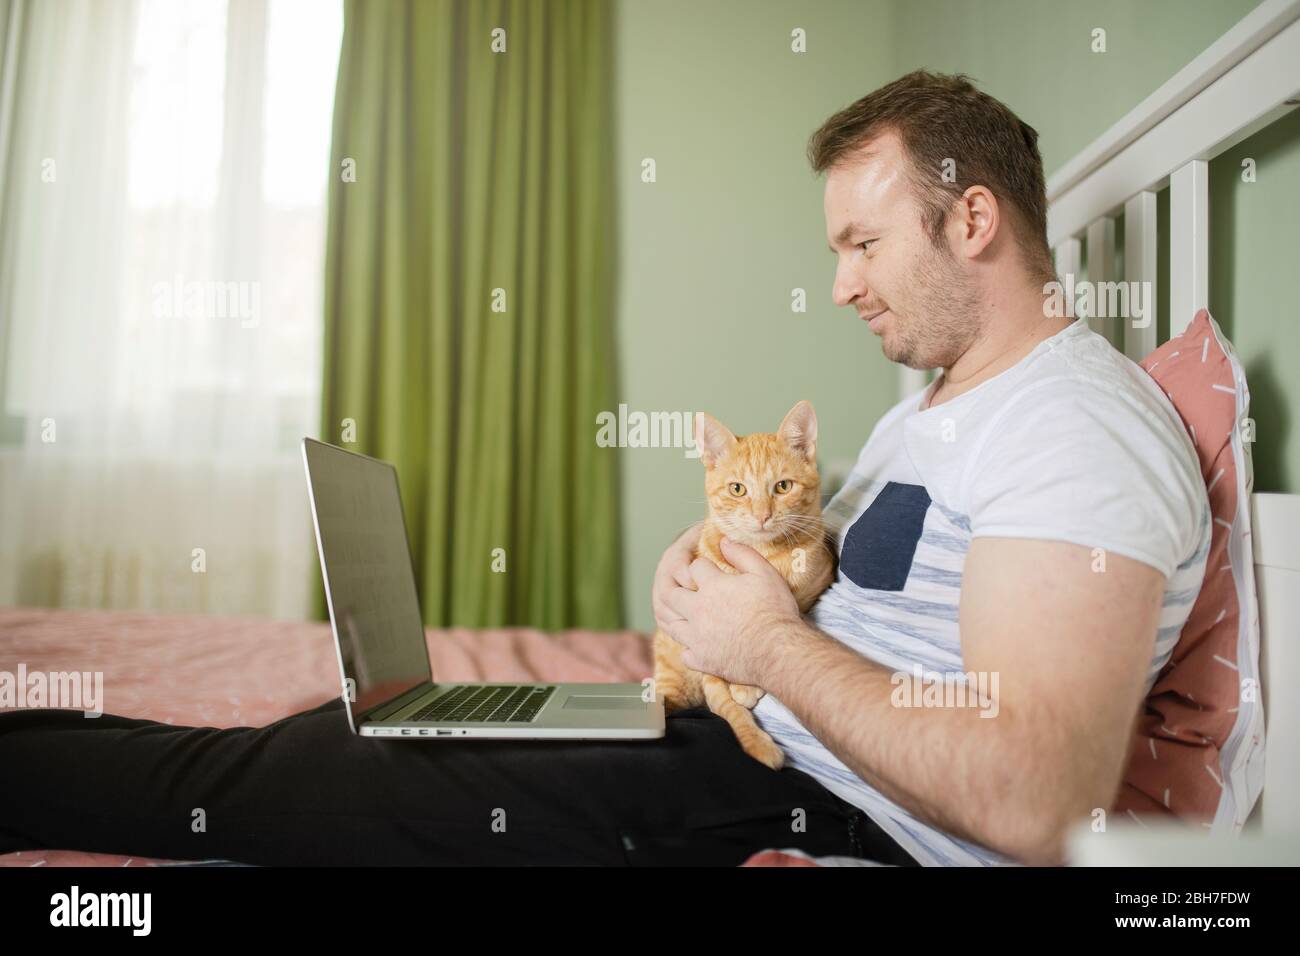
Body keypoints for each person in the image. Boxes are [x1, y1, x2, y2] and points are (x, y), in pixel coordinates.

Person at [0, 71, 1208, 867]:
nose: (839, 282)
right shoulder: (937, 406)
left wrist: (765, 646)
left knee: (328, 766)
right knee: (339, 740)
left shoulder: (1075, 430)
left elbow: (1037, 800)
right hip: (743, 734)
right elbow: (808, 584)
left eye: (862, 242)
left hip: (829, 802)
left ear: (975, 222)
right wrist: (713, 594)